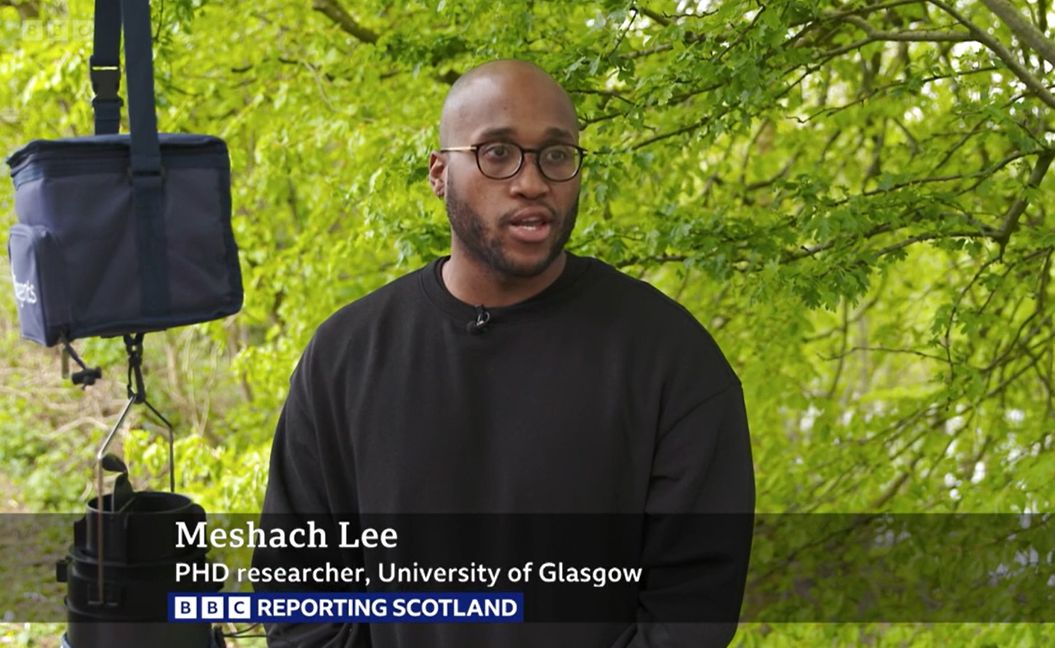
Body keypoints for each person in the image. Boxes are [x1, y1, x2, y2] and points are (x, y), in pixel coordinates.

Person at [256, 59, 754, 647]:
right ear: (439, 173)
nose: (532, 181)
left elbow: (689, 611)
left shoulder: (669, 359)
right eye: (496, 153)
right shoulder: (344, 358)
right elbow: (299, 597)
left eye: (556, 154)